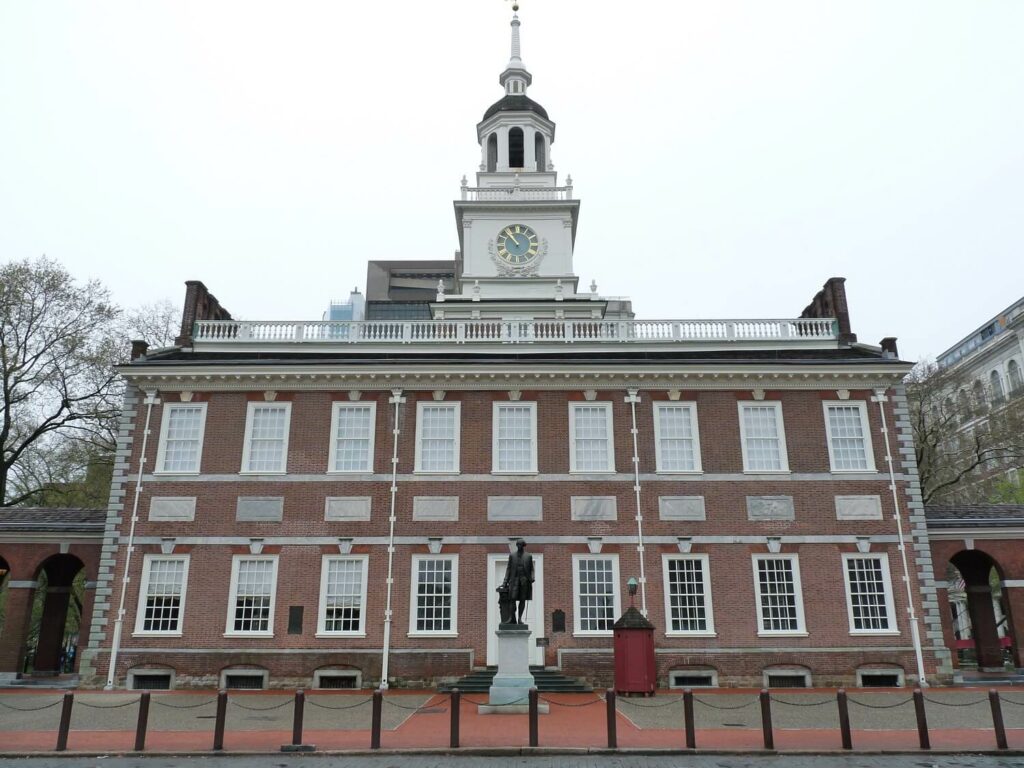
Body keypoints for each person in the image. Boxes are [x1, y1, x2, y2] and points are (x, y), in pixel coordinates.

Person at [499, 539, 534, 626]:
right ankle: (511, 618)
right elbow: (508, 569)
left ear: (523, 546)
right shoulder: (512, 556)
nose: (519, 546)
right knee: (512, 599)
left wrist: (532, 577)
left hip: (524, 581)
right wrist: (505, 582)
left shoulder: (528, 556)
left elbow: (532, 569)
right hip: (514, 580)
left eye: (520, 545)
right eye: (517, 545)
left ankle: (520, 618)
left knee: (522, 600)